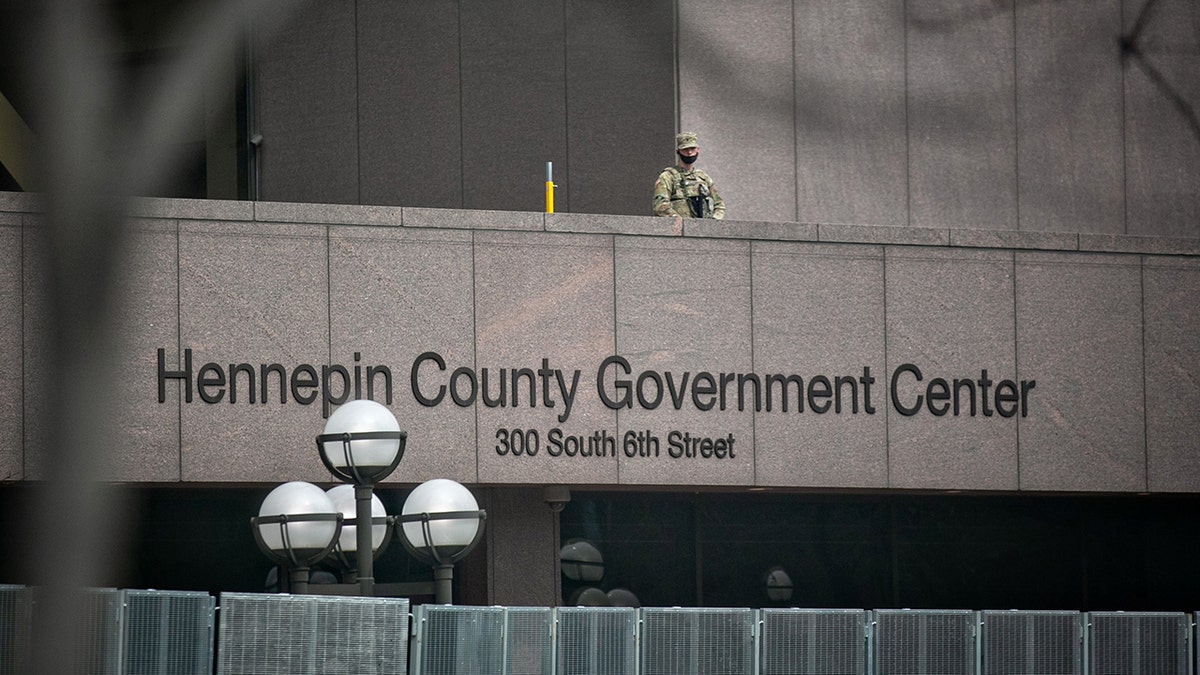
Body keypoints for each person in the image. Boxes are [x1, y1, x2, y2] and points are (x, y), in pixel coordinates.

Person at [653, 132, 725, 228]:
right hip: (678, 230)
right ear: (678, 151)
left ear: (697, 150)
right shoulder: (668, 177)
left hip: (703, 229)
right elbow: (660, 206)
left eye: (692, 149)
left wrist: (712, 223)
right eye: (685, 149)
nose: (689, 152)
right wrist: (681, 222)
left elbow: (719, 204)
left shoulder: (703, 178)